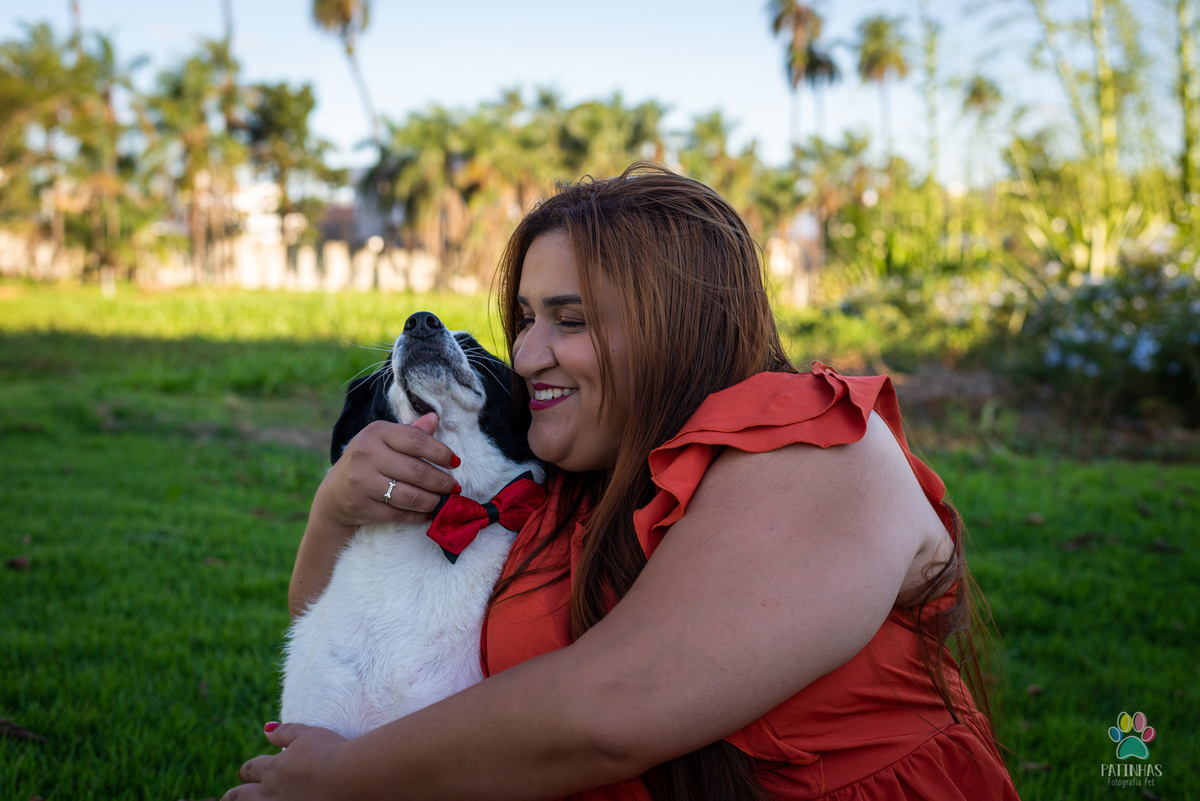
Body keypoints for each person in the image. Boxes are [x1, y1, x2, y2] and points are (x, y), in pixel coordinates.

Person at [225, 163, 1020, 801]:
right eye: (525, 319)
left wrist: (343, 777)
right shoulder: (575, 478)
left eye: (569, 321)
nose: (526, 355)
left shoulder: (814, 448)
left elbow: (619, 705)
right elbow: (345, 632)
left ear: (680, 327)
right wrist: (337, 509)